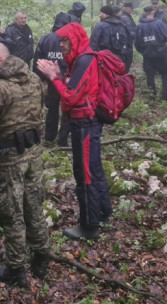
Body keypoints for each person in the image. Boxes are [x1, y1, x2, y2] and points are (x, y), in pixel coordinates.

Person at [0, 43, 50, 286]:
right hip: (33, 153)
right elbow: (41, 104)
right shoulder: (34, 79)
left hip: (9, 159)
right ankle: (41, 257)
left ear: (1, 59)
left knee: (11, 213)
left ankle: (16, 270)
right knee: (33, 205)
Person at [36, 23, 112, 241]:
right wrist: (61, 75)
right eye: (60, 41)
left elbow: (69, 98)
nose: (61, 45)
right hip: (86, 123)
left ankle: (89, 227)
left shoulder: (85, 60)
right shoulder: (80, 60)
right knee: (94, 169)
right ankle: (104, 213)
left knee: (85, 173)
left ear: (75, 39)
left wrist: (55, 78)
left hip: (86, 125)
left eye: (65, 40)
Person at [33, 12, 72, 146]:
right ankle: (62, 139)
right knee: (67, 109)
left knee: (52, 108)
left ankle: (50, 137)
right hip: (68, 81)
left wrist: (39, 78)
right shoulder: (70, 39)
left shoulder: (46, 39)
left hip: (51, 81)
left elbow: (37, 61)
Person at [135, 6, 167, 102]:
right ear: (153, 12)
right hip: (161, 54)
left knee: (150, 75)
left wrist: (142, 51)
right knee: (166, 73)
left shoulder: (139, 26)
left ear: (144, 13)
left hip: (147, 55)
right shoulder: (159, 23)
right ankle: (165, 96)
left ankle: (152, 96)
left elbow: (136, 42)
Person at [89, 5, 132, 73]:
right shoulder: (122, 25)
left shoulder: (100, 26)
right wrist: (127, 63)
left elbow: (93, 45)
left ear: (105, 14)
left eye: (101, 13)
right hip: (120, 61)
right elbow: (128, 44)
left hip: (104, 62)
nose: (100, 15)